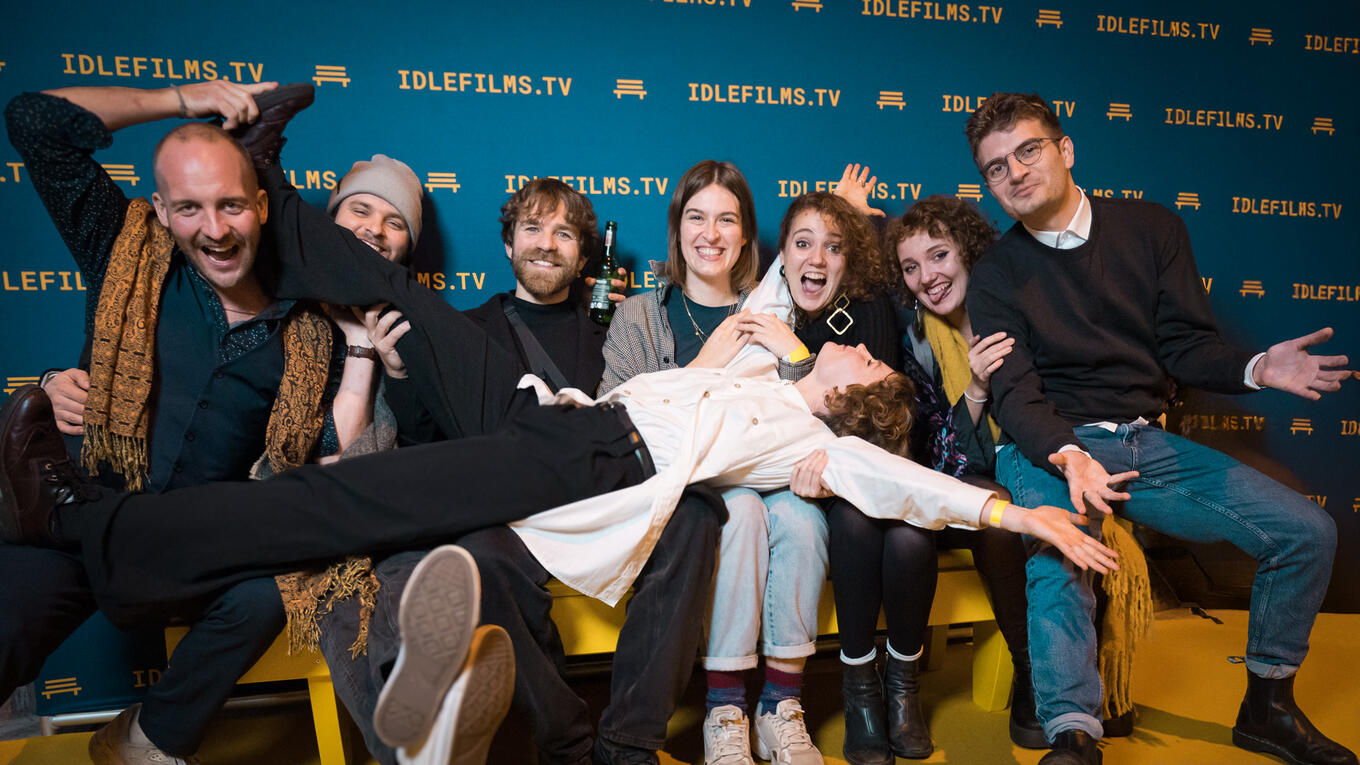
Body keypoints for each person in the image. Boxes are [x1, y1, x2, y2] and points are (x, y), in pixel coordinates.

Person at [963, 91, 1355, 765]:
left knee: (1307, 531)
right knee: (1062, 552)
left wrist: (1258, 367)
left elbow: (1186, 347)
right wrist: (1068, 455)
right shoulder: (996, 274)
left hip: (1140, 442)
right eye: (996, 167)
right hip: (1047, 444)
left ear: (1065, 149)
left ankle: (1268, 709)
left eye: (1028, 150)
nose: (1015, 172)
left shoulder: (1152, 228)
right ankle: (1073, 736)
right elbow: (1017, 395)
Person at [300, 174, 722, 765]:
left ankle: (628, 744)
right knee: (478, 556)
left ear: (584, 257)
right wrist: (399, 373)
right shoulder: (463, 331)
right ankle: (566, 745)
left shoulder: (617, 325)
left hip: (610, 502)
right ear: (508, 243)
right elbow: (424, 442)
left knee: (697, 512)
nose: (546, 243)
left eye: (564, 234)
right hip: (516, 518)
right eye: (533, 228)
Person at [2, 80, 341, 765]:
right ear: (160, 210)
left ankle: (148, 738)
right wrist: (181, 100)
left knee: (267, 593)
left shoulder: (309, 331)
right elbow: (34, 120)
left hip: (186, 547)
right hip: (68, 526)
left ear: (261, 205)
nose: (214, 229)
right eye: (189, 207)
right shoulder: (124, 252)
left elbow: (319, 456)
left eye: (231, 204)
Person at [602, 160, 829, 765]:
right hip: (687, 489)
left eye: (727, 220)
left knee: (804, 520)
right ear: (677, 228)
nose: (710, 234)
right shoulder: (638, 316)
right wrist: (703, 366)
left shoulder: (775, 310)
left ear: (746, 234)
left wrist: (795, 353)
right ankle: (725, 709)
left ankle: (781, 706)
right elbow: (612, 418)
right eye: (696, 217)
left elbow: (819, 409)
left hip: (770, 475)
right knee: (742, 511)